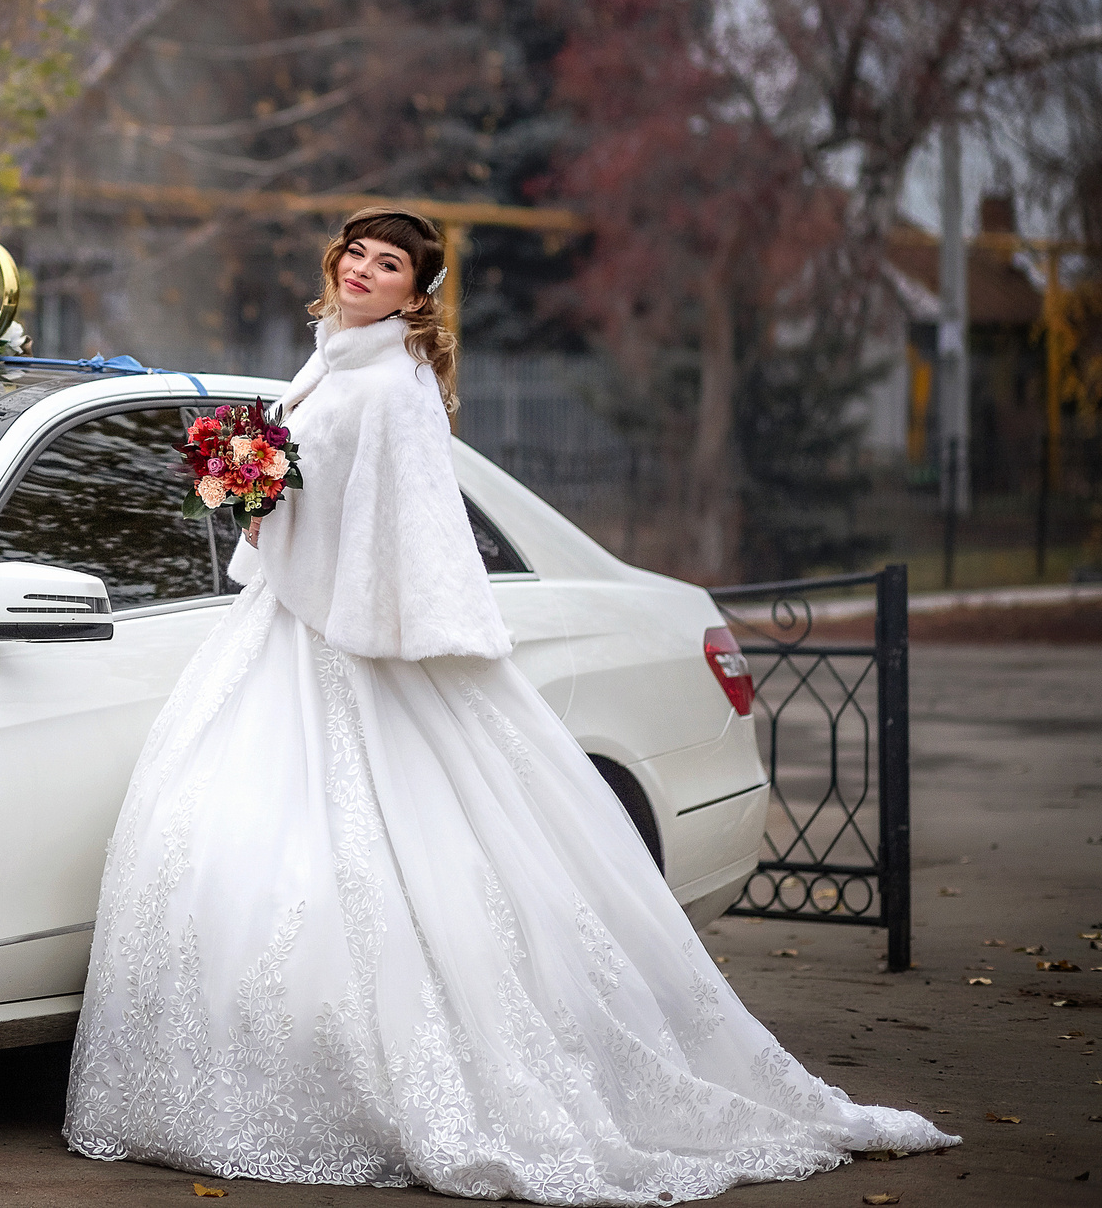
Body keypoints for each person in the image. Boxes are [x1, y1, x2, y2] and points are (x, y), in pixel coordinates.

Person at [63, 207, 954, 1206]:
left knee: (369, 863)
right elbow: (320, 494)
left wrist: (307, 546)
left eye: (386, 261)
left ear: (417, 288)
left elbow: (414, 529)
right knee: (230, 845)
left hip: (349, 640)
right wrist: (249, 483)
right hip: (285, 628)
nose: (361, 269)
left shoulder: (395, 383)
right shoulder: (335, 358)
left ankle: (414, 1086)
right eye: (354, 251)